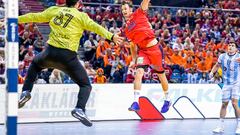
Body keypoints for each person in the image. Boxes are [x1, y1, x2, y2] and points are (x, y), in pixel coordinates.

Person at [17, 0, 123, 127]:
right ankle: (79, 109)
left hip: (50, 53)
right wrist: (111, 36)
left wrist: (13, 20)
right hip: (68, 58)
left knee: (35, 64)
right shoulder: (81, 16)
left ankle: (26, 91)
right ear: (78, 4)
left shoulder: (54, 10)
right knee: (85, 85)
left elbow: (33, 16)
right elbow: (97, 27)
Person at [121, 0, 171, 113]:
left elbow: (145, 1)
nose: (124, 11)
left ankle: (167, 99)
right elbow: (133, 45)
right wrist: (133, 60)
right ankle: (135, 102)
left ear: (131, 9)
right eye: (122, 9)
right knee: (138, 73)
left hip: (155, 50)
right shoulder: (127, 30)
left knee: (161, 75)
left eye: (126, 8)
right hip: (143, 52)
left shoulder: (139, 13)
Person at [210, 42, 240, 134]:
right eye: (229, 45)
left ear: (236, 49)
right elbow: (217, 65)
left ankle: (239, 126)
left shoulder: (239, 57)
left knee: (235, 104)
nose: (230, 47)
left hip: (236, 83)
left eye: (232, 46)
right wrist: (211, 73)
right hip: (226, 84)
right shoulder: (222, 56)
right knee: (224, 104)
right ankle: (221, 126)